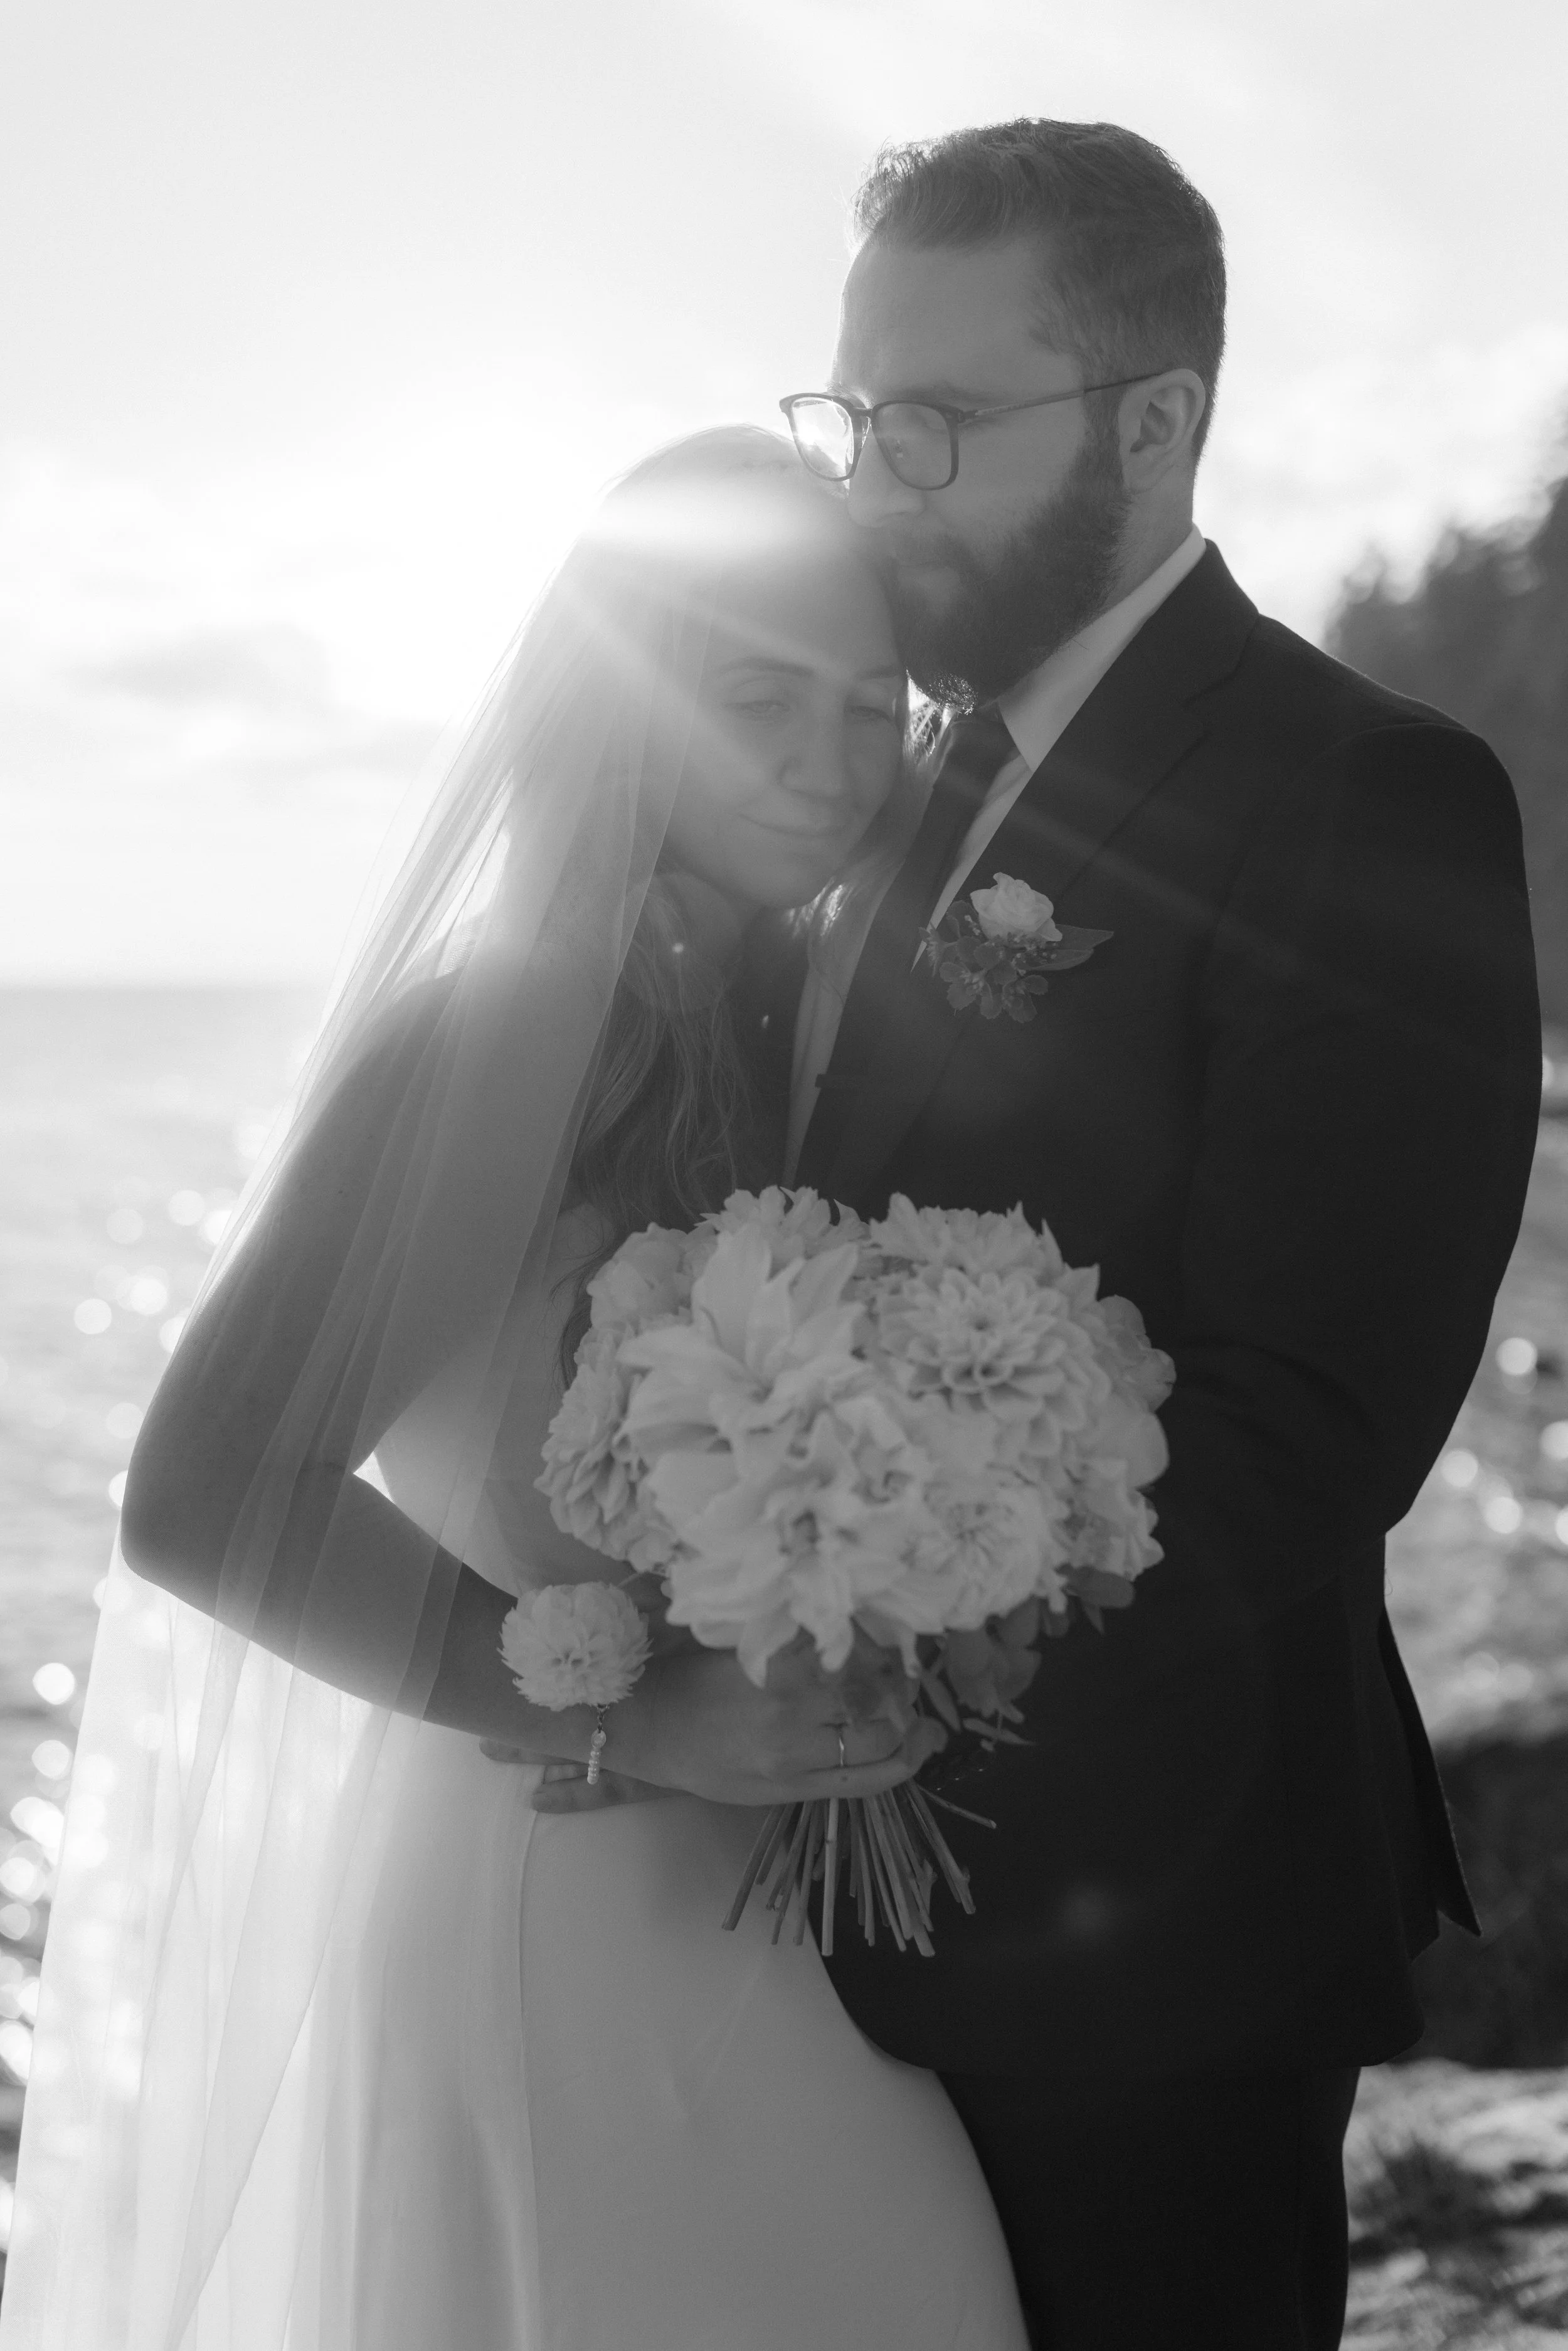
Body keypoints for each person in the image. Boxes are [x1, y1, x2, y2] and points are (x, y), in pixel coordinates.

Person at [0, 431, 1029, 2350]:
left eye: (866, 704)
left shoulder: (758, 1004)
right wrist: (649, 1715)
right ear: (619, 693)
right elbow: (207, 1489)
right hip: (561, 1892)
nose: (826, 755)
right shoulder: (530, 1003)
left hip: (712, 1889)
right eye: (752, 695)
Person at [753, 117, 1540, 2350]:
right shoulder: (881, 773)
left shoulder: (1358, 788)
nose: (870, 481)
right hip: (816, 1903)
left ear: (1155, 418)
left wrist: (876, 1641)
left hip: (1151, 1924)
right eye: (849, 415)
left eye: (935, 425)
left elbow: (1312, 1421)